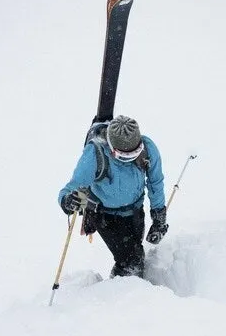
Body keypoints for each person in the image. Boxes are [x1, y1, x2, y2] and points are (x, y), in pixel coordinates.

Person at [57, 115, 168, 278]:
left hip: (135, 211)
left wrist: (159, 217)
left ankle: (122, 288)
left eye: (134, 155)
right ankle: (124, 293)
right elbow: (72, 187)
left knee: (135, 255)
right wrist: (67, 201)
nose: (128, 160)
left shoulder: (148, 149)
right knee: (131, 262)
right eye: (123, 156)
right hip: (105, 216)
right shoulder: (95, 153)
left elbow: (155, 182)